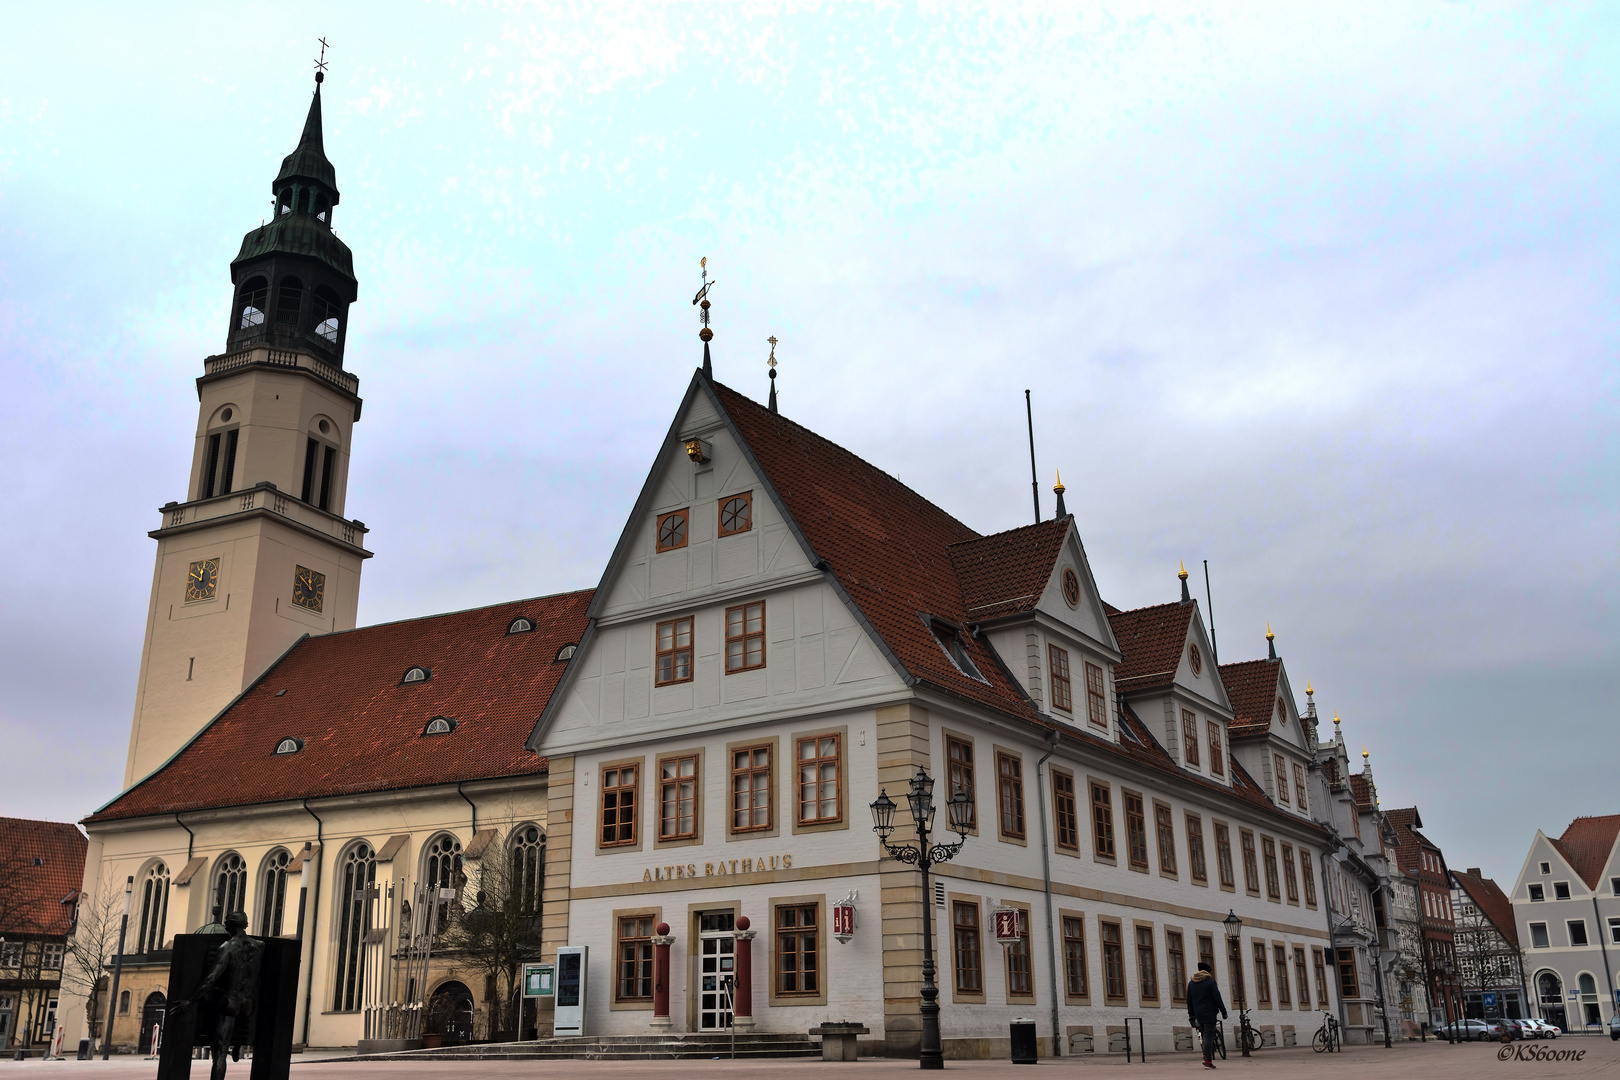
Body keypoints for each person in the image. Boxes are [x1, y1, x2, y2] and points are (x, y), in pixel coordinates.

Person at [172, 911, 263, 1080]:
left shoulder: (228, 947)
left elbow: (210, 979)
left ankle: (231, 1048)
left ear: (228, 927)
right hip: (248, 1004)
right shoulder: (259, 946)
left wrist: (189, 1002)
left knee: (220, 1053)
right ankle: (236, 1045)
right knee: (236, 1024)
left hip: (230, 1002)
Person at [1187, 960, 1229, 1069]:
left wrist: (1191, 1015)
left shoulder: (1191, 983)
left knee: (1204, 1035)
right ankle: (1207, 1060)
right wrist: (1223, 1012)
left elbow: (1189, 1001)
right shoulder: (1210, 982)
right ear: (1208, 972)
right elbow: (1217, 998)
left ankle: (1206, 1056)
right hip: (1209, 1013)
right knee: (1208, 1037)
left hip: (1198, 1014)